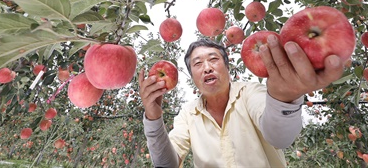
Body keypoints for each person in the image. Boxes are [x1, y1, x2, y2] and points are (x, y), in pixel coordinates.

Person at [139, 35, 345, 167]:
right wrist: (153, 118)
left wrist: (284, 99)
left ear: (227, 68)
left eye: (213, 59)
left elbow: (280, 137)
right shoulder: (187, 114)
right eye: (198, 63)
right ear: (192, 76)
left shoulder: (249, 92)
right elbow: (167, 164)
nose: (207, 67)